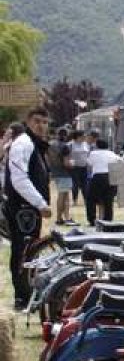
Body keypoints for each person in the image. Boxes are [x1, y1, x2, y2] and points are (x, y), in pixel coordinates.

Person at [4, 108, 52, 310]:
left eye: (44, 121)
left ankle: (27, 294)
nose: (41, 125)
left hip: (28, 209)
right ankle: (22, 297)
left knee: (29, 250)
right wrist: (40, 203)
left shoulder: (33, 144)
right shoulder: (23, 143)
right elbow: (19, 179)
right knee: (23, 251)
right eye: (37, 121)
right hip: (23, 207)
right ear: (28, 122)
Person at [85, 138, 122, 225]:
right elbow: (121, 161)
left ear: (97, 146)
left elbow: (89, 163)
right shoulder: (112, 153)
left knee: (91, 199)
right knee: (109, 200)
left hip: (98, 176)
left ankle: (92, 219)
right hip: (110, 176)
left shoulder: (93, 153)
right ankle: (108, 219)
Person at [48, 127, 74, 225]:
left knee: (62, 195)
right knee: (64, 196)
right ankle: (62, 218)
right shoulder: (65, 146)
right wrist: (73, 164)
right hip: (65, 173)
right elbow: (66, 163)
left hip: (55, 172)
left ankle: (61, 218)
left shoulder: (51, 144)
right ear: (66, 135)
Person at [66, 129, 90, 206]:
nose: (84, 137)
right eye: (83, 136)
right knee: (75, 185)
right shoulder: (70, 144)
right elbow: (66, 155)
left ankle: (86, 200)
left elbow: (88, 154)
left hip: (84, 167)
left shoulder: (86, 144)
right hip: (74, 168)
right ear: (78, 137)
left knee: (85, 185)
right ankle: (74, 200)